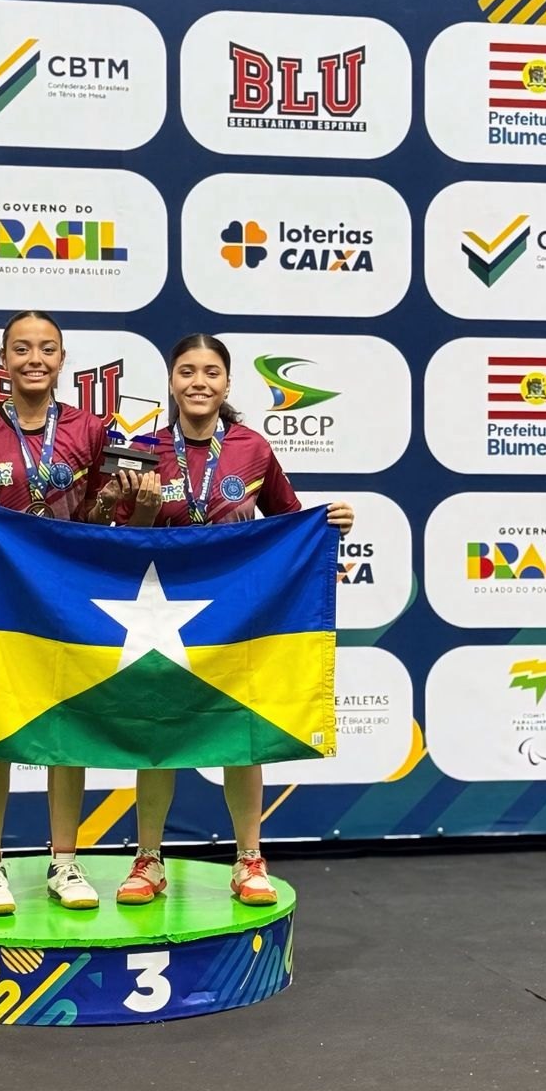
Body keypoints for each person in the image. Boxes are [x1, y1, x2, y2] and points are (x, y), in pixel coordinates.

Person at [94, 333, 354, 910]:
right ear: (170, 380)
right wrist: (138, 503)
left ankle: (248, 858)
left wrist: (331, 522)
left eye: (211, 372)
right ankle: (149, 859)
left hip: (236, 619)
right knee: (155, 740)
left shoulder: (252, 448)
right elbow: (119, 540)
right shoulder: (143, 449)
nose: (199, 382)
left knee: (240, 736)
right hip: (158, 616)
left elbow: (289, 522)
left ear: (228, 384)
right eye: (186, 371)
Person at [0, 310, 109, 915]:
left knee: (69, 731)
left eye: (48, 348)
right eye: (22, 348)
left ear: (63, 359)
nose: (35, 358)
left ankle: (65, 859)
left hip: (73, 603)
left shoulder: (91, 431)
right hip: (1, 601)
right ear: (2, 360)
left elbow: (108, 519)